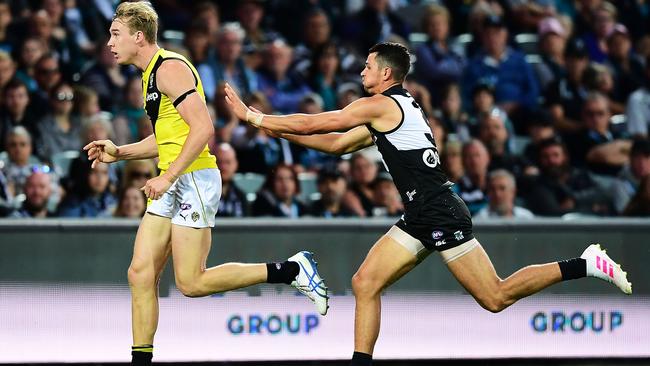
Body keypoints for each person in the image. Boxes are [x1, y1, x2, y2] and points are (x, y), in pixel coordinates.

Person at [224, 41, 632, 366]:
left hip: (439, 209)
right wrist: (274, 131)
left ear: (385, 74)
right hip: (421, 212)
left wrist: (255, 118)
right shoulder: (393, 111)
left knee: (495, 297)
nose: (362, 72)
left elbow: (316, 123)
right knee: (365, 282)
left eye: (367, 67)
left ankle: (585, 263)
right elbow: (333, 145)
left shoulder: (381, 105)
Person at [83, 3, 327, 365]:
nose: (109, 42)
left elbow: (204, 129)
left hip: (192, 177)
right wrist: (121, 152)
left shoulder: (170, 68)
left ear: (138, 37)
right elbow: (167, 138)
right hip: (174, 177)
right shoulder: (150, 73)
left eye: (115, 34)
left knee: (191, 283)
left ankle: (291, 270)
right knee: (140, 272)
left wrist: (167, 176)